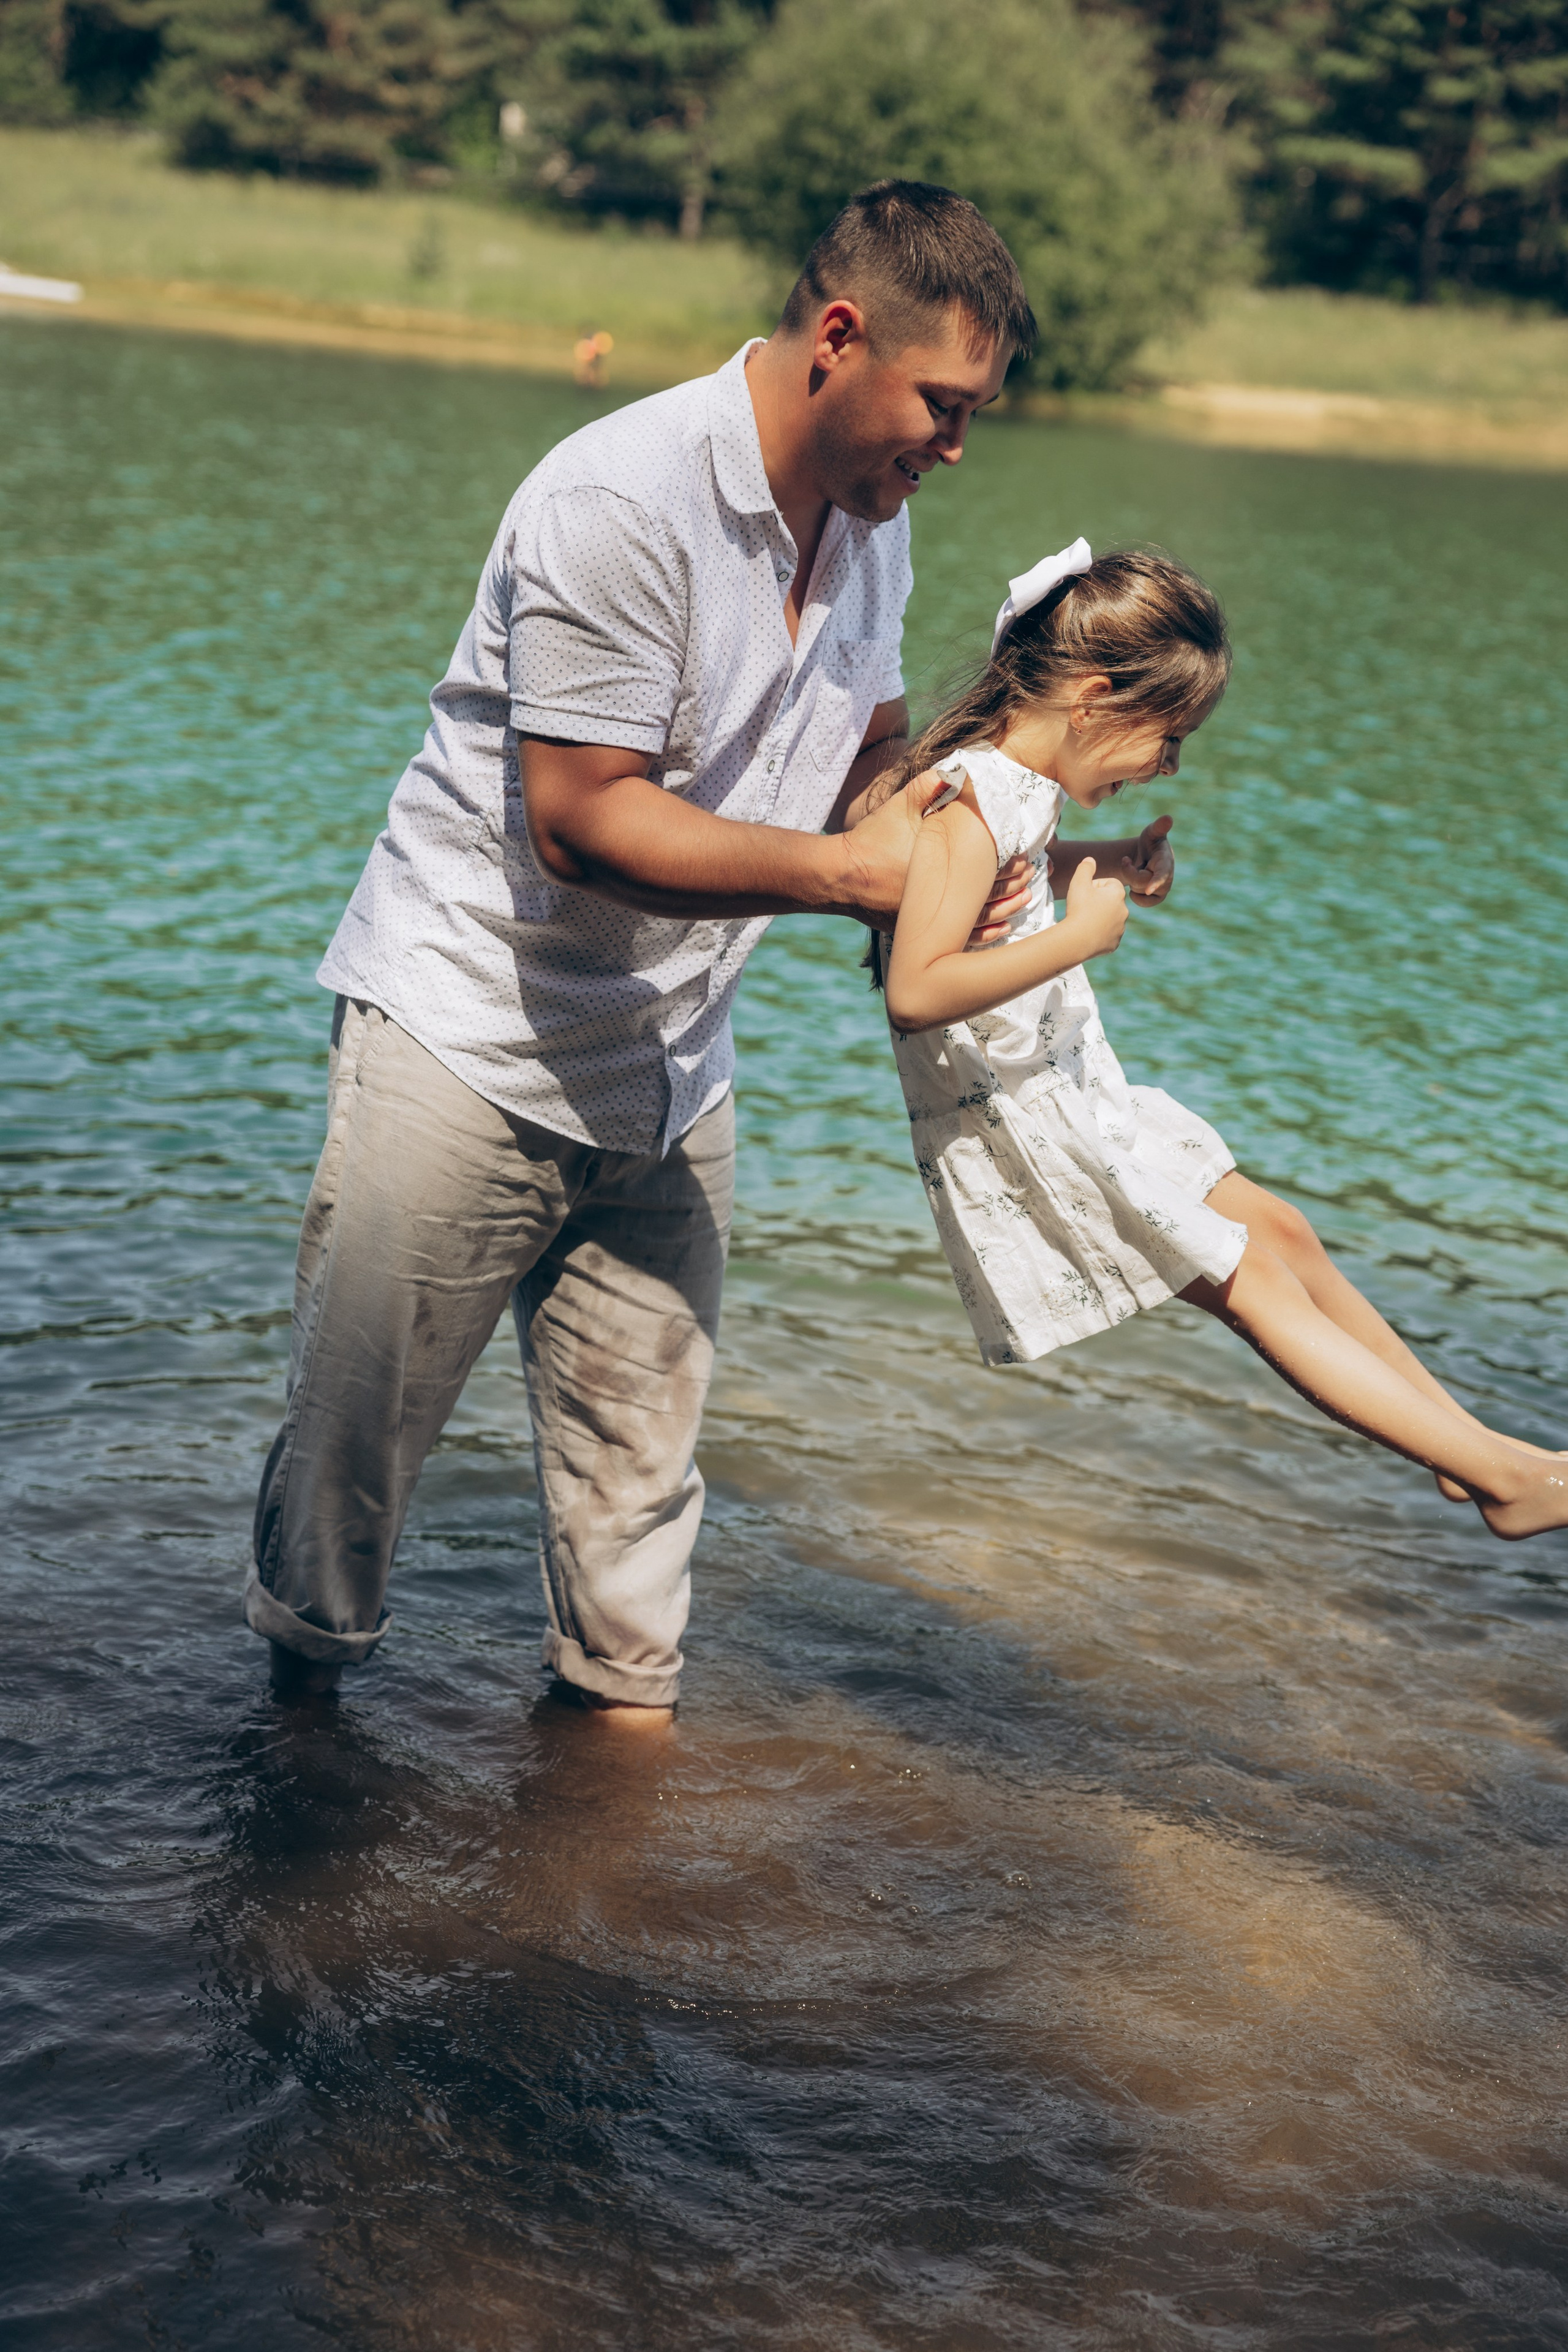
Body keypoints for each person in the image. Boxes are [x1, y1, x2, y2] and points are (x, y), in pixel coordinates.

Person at [246, 183, 1183, 1716]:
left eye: (973, 418)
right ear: (837, 337)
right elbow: (582, 821)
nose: (954, 449)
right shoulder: (620, 499)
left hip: (671, 1071)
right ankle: (291, 1793)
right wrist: (843, 878)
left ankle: (616, 1806)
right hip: (468, 1045)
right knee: (350, 1481)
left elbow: (864, 773)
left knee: (636, 1507)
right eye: (941, 408)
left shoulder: (874, 523)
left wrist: (1000, 851)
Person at [874, 538, 1568, 1539]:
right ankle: (1509, 1486)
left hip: (1078, 1090)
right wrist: (1080, 937)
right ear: (1096, 698)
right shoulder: (969, 799)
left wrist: (1108, 859)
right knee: (1253, 1281)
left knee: (1281, 1230)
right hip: (1034, 1118)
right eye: (1169, 735)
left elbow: (1012, 870)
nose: (1171, 763)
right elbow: (917, 988)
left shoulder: (1013, 790)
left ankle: (1469, 1454)